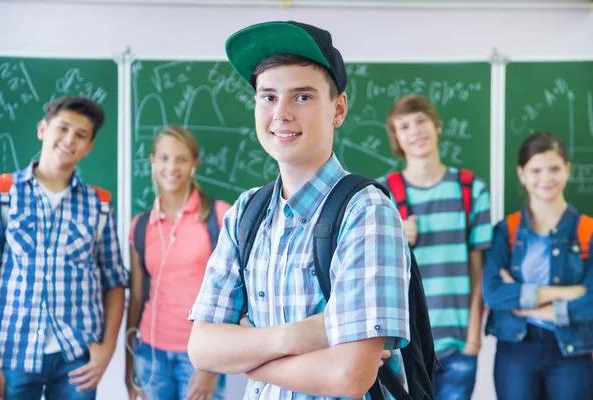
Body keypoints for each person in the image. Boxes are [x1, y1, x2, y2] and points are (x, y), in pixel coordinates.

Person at [187, 21, 411, 399]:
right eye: (268, 97)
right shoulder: (245, 213)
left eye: (302, 97)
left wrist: (245, 350)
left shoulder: (367, 211)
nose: (282, 114)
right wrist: (303, 334)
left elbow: (349, 375)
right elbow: (202, 348)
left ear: (338, 108)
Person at [0, 96, 128, 400]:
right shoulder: (3, 194)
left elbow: (115, 281)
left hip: (77, 357)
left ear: (89, 146)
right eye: (62, 128)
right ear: (43, 129)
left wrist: (106, 350)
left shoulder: (99, 204)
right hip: (13, 354)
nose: (69, 140)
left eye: (81, 135)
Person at [381, 94, 492, 399]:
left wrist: (473, 335)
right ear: (396, 139)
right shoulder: (382, 194)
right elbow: (369, 272)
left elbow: (477, 269)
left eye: (420, 121)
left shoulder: (471, 189)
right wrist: (392, 236)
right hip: (402, 344)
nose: (415, 131)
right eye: (404, 126)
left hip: (457, 344)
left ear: (437, 126)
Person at [483, 132, 593, 400]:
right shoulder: (505, 231)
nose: (546, 178)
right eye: (536, 170)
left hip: (572, 351)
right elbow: (494, 292)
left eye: (554, 168)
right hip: (515, 351)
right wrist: (564, 293)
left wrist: (529, 305)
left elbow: (591, 300)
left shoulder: (587, 230)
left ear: (568, 169)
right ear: (521, 174)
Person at [125, 125, 229, 400]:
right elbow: (136, 298)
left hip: (200, 356)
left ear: (194, 164)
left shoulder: (218, 217)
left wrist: (210, 369)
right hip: (150, 354)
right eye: (164, 158)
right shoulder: (140, 226)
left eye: (181, 159)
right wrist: (129, 368)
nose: (172, 167)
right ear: (153, 161)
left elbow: (232, 296)